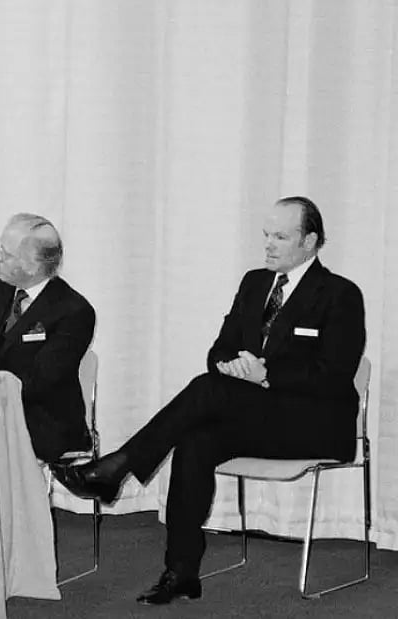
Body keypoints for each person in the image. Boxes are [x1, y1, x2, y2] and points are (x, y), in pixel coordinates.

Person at [53, 196, 365, 605]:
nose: (268, 244)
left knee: (206, 391)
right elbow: (219, 350)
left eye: (280, 237)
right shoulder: (255, 283)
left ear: (309, 241)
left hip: (314, 423)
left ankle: (118, 466)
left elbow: (335, 374)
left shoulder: (340, 294)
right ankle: (181, 571)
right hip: (256, 416)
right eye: (266, 235)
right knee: (196, 438)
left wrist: (266, 374)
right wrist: (229, 366)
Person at [0, 213, 95, 462]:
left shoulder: (74, 311)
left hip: (38, 422)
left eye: (6, 254)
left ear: (32, 266)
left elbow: (39, 383)